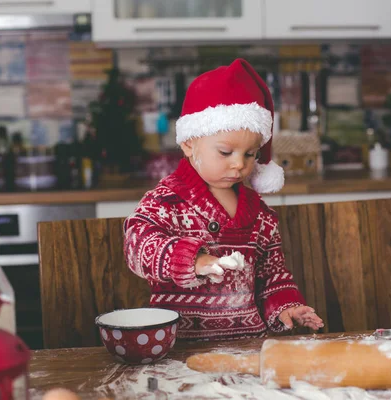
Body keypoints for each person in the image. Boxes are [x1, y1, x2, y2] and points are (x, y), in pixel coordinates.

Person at [123, 58, 324, 341]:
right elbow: (137, 246)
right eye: (226, 152)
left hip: (248, 346)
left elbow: (272, 276)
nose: (239, 165)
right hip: (179, 348)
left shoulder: (261, 217)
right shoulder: (167, 202)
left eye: (250, 154)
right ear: (190, 144)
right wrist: (192, 260)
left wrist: (285, 307)